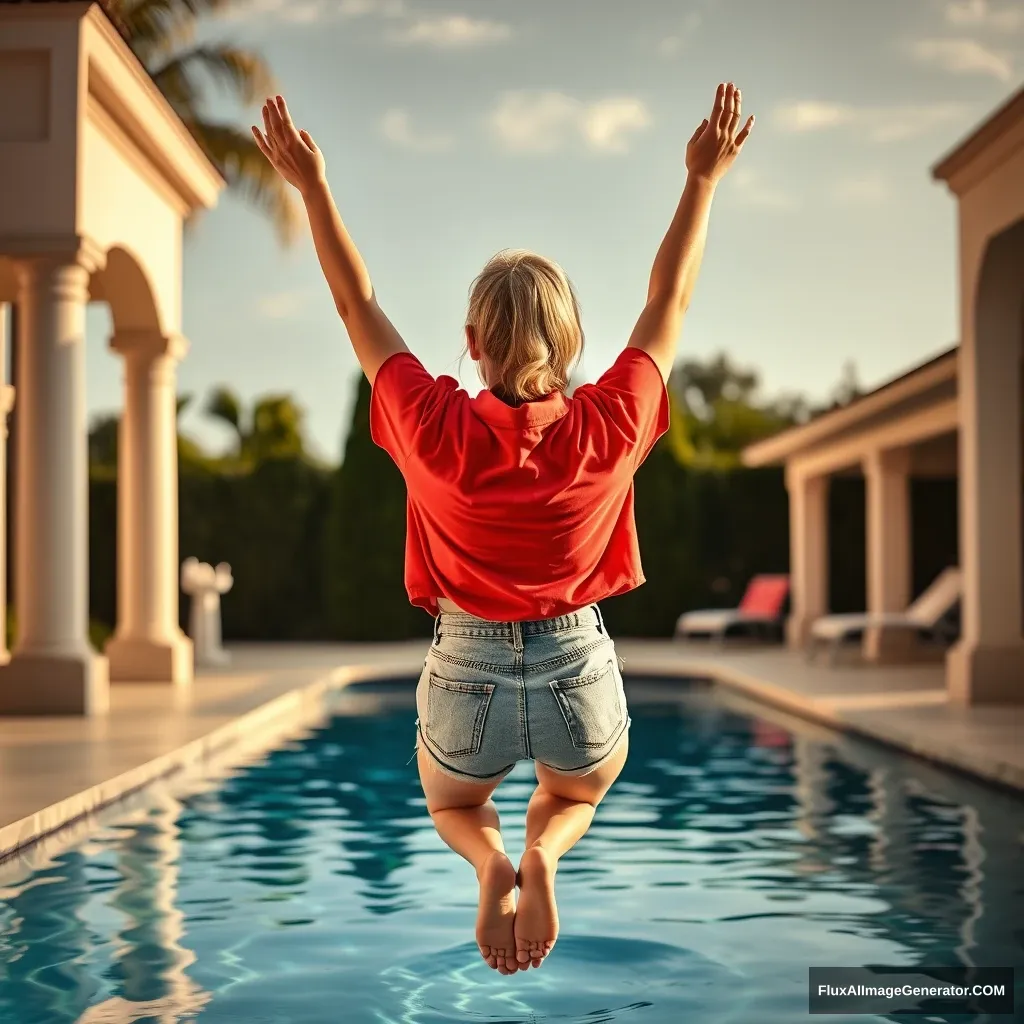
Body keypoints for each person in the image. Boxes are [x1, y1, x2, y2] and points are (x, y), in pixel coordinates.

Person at [253, 83, 753, 976]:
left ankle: (492, 865)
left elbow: (354, 304)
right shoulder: (608, 424)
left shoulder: (431, 424)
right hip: (575, 666)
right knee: (576, 789)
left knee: (452, 806)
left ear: (472, 341)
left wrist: (312, 186)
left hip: (467, 663)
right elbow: (668, 301)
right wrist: (700, 179)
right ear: (568, 345)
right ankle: (544, 857)